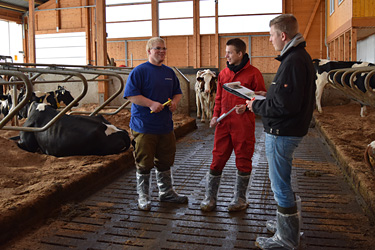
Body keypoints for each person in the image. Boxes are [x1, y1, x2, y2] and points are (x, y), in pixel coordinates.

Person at [246, 14, 316, 249]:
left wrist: (255, 105)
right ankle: (285, 225)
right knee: (282, 181)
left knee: (280, 185)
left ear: (282, 35)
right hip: (288, 129)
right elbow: (288, 97)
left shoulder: (293, 60)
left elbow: (286, 106)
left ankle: (286, 239)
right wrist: (267, 96)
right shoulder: (297, 57)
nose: (269, 40)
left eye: (271, 35)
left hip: (282, 132)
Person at [200, 38, 266, 212]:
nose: (226, 55)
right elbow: (219, 99)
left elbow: (261, 97)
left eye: (229, 52)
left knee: (243, 159)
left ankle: (240, 198)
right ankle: (210, 197)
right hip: (223, 123)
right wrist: (215, 116)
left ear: (240, 53)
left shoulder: (254, 73)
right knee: (217, 159)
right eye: (226, 52)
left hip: (243, 124)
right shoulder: (223, 74)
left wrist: (246, 107)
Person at [123, 37, 188, 211]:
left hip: (165, 126)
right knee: (144, 162)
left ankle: (166, 192)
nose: (161, 51)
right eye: (157, 48)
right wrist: (151, 103)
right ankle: (143, 196)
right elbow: (130, 95)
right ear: (149, 51)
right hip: (144, 126)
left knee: (165, 160)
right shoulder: (139, 71)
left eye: (164, 48)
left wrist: (175, 102)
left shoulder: (169, 72)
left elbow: (177, 92)